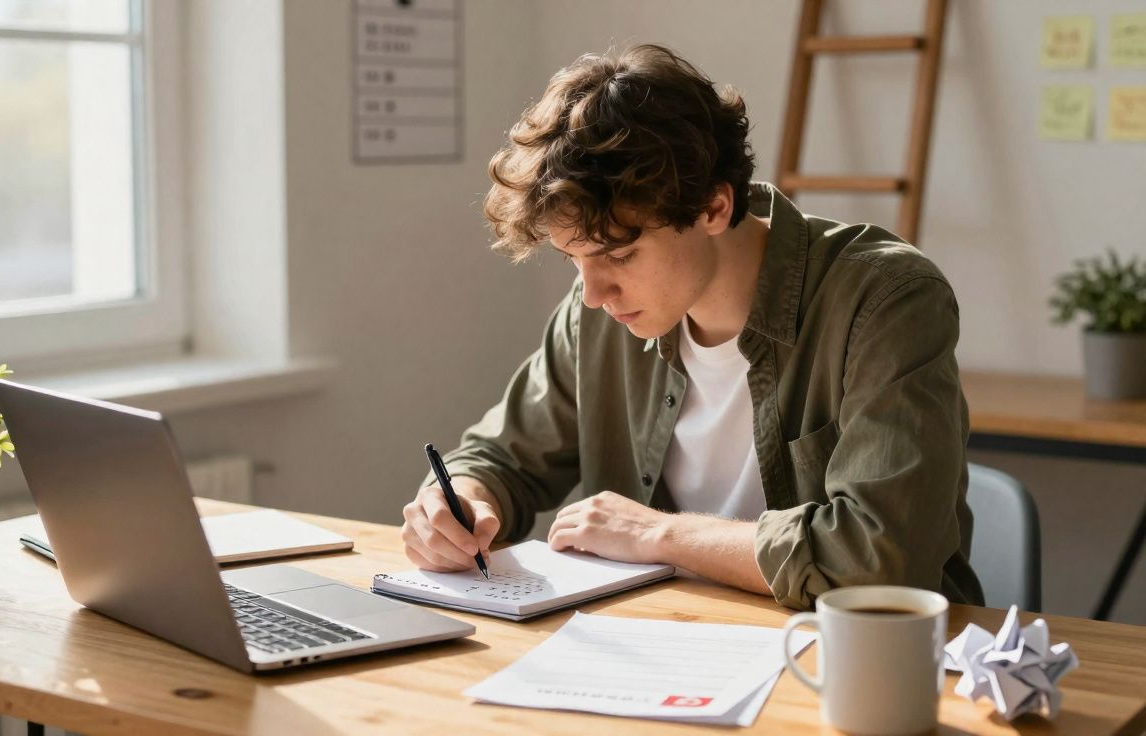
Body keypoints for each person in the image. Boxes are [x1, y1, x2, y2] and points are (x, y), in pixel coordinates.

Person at [400, 43, 983, 610]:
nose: (595, 294)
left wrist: (660, 535)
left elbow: (883, 555)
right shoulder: (596, 309)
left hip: (864, 667)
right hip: (666, 648)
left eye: (619, 256)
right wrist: (460, 501)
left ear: (712, 207)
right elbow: (503, 458)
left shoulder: (884, 301)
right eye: (574, 260)